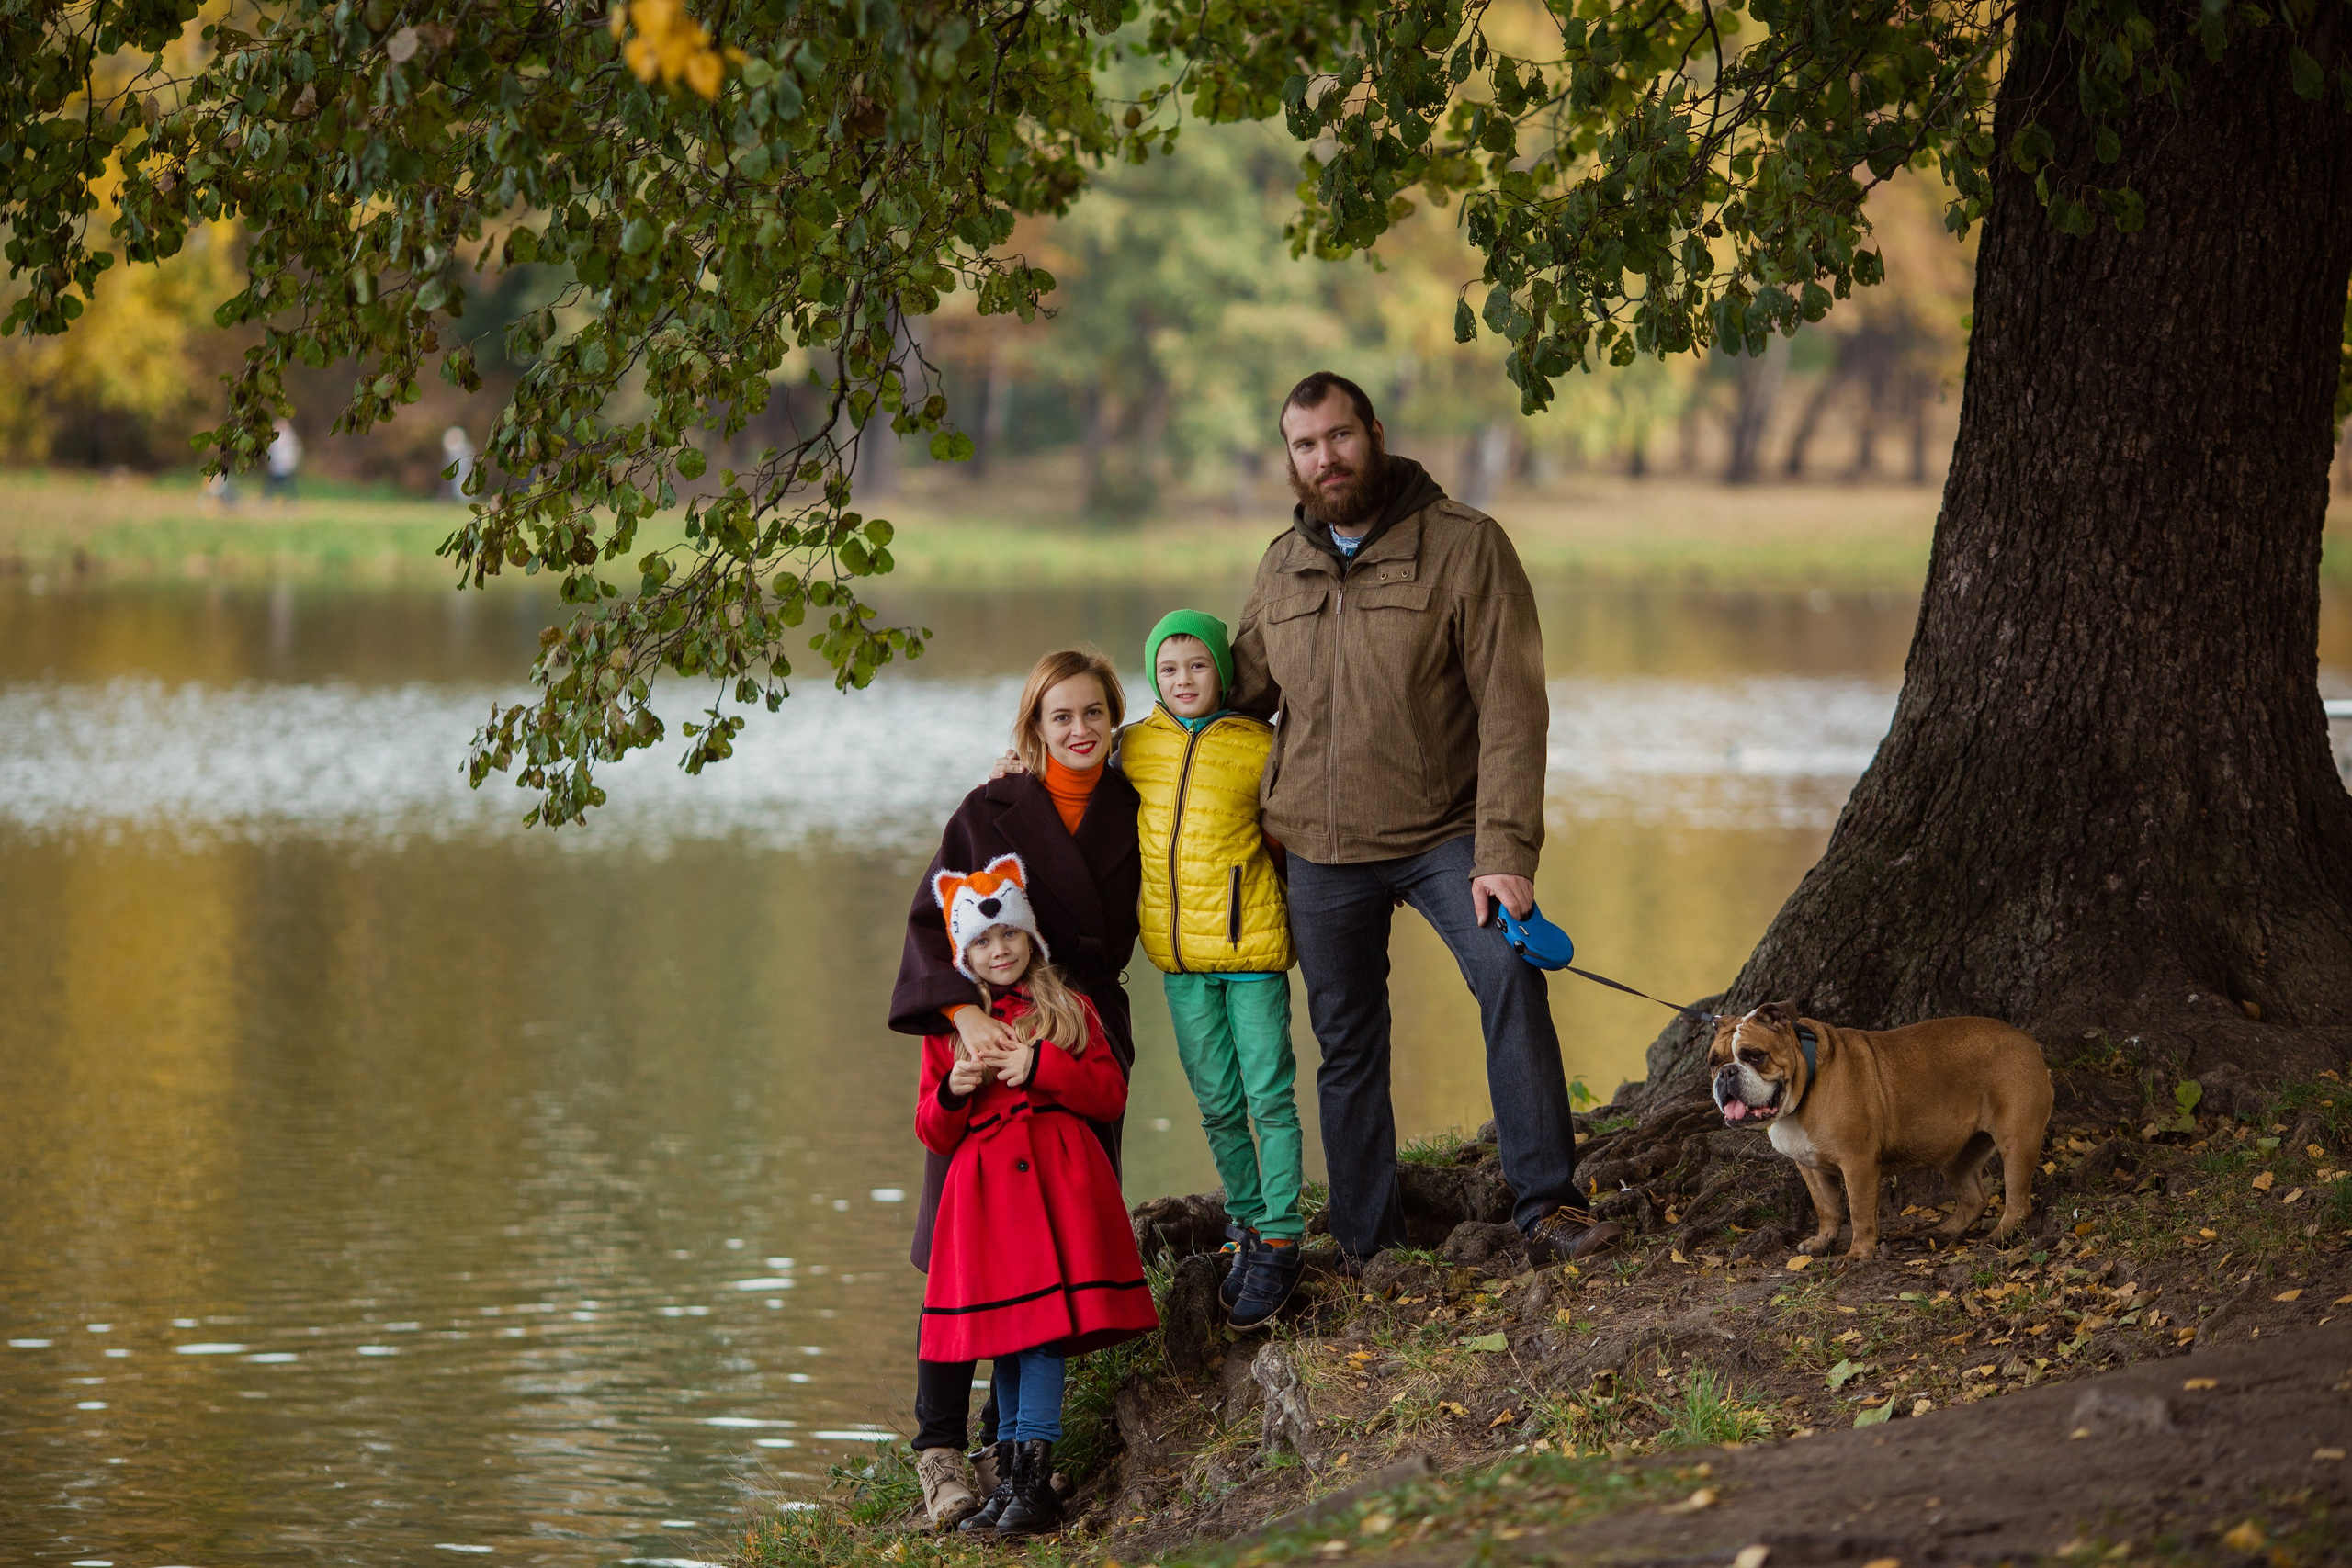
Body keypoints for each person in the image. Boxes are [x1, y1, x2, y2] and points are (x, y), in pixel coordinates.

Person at [1227, 370, 1622, 1269]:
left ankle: (1547, 1207)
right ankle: (1369, 1247)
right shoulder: (1280, 565)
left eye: (1338, 436)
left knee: (1509, 976)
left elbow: (1513, 706)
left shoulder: (1465, 544)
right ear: (1289, 458)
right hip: (1320, 849)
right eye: (1304, 444)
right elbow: (1234, 694)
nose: (1324, 458)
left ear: (1373, 432)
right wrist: (1091, 747)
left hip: (1448, 835)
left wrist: (1504, 850)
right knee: (1346, 1042)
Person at [889, 648, 1141, 1529]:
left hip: (1071, 1023)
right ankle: (938, 1447)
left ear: (1116, 719)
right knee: (959, 1240)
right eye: (1057, 716)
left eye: (1093, 713)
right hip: (981, 1033)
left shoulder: (1137, 797)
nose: (1078, 730)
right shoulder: (990, 807)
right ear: (1031, 726)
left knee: (1055, 1246)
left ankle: (1016, 1456)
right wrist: (963, 1020)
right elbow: (931, 927)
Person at [912, 855, 1158, 1537]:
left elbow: (1108, 1094)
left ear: (1030, 937)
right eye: (982, 942)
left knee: (1042, 1335)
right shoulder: (950, 1030)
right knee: (1014, 1338)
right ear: (964, 955)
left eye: (1009, 934)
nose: (999, 950)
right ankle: (1014, 1482)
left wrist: (1040, 1064)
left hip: (1057, 1192)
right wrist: (954, 1090)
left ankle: (1030, 1483)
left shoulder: (1068, 1007)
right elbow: (931, 1129)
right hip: (990, 1205)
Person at [1124, 610, 1305, 1329]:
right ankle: (1248, 1223)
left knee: (1269, 1098)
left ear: (1223, 673)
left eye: (1198, 664)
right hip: (1180, 962)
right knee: (1219, 1105)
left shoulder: (1260, 745)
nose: (1183, 679)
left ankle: (1283, 1236)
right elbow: (1067, 769)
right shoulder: (1135, 747)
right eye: (1168, 668)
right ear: (1153, 677)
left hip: (1252, 951)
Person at [265, 418, 302, 502]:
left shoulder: (289, 436)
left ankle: (291, 498)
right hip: (278, 464)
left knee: (287, 483)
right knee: (274, 482)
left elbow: (294, 450)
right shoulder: (276, 436)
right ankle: (268, 497)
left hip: (286, 463)